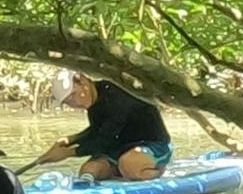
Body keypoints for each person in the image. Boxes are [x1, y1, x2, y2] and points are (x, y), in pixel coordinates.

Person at [32, 70, 173, 182]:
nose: (74, 103)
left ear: (83, 81)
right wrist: (71, 140)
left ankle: (156, 171)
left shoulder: (116, 95)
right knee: (88, 170)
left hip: (153, 144)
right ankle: (121, 173)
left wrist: (67, 153)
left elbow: (103, 139)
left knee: (128, 164)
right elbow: (98, 130)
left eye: (73, 96)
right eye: (68, 102)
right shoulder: (94, 101)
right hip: (120, 148)